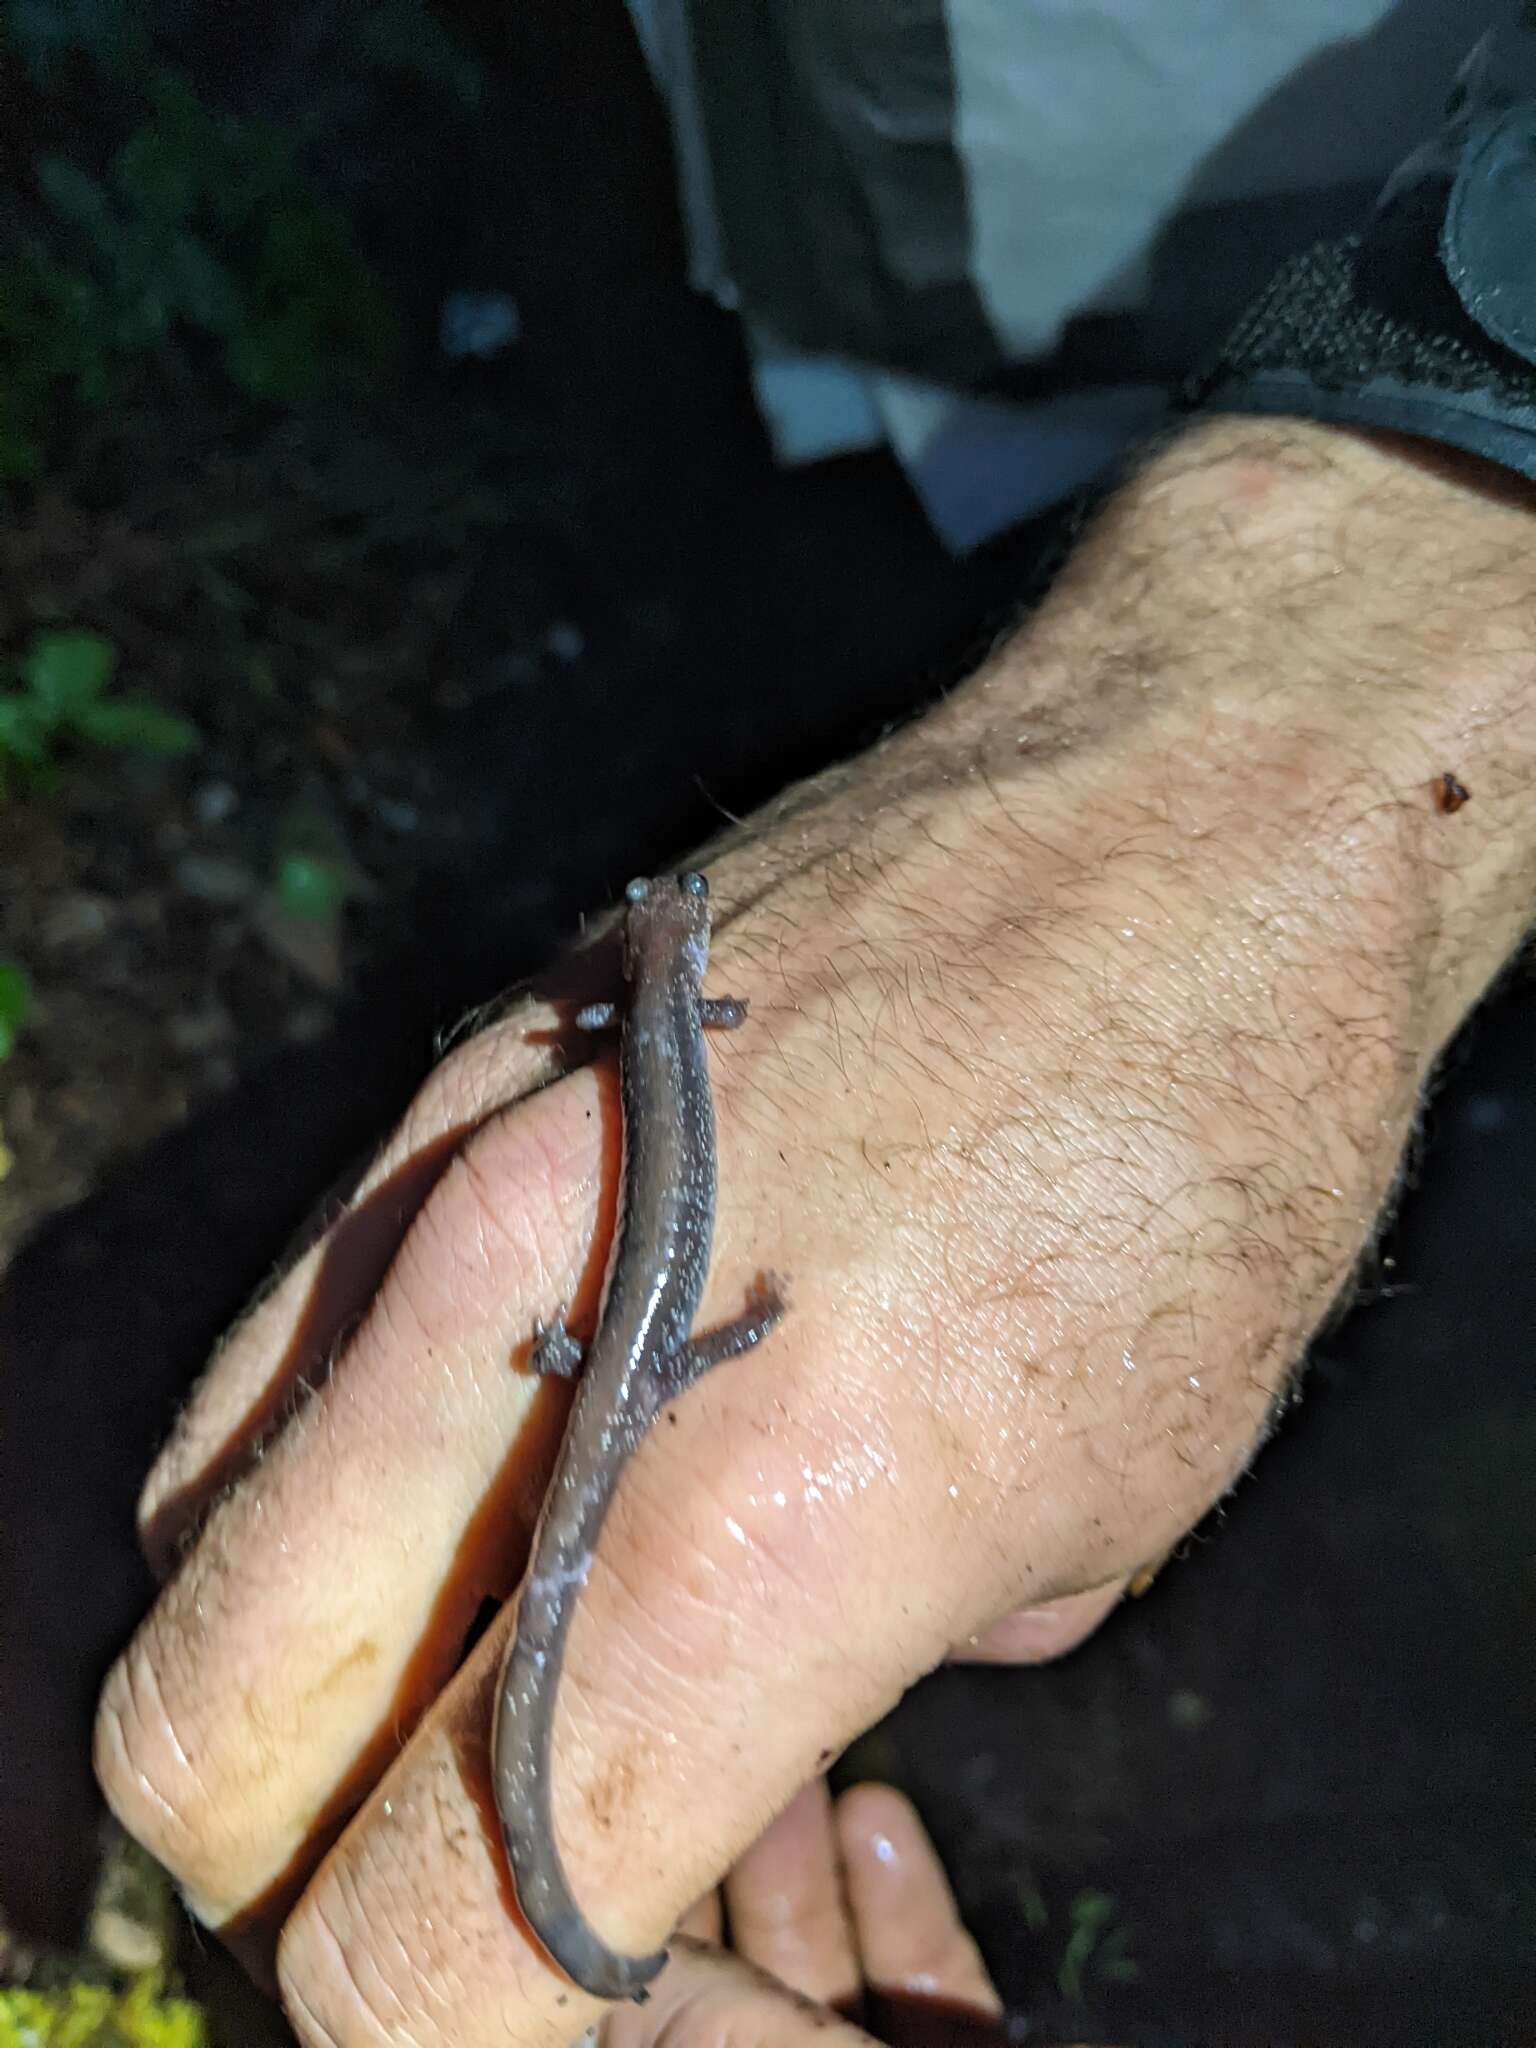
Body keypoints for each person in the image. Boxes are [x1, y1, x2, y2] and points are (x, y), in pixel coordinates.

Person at [93, 10, 1536, 2047]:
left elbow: (668, 1067)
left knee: (627, 1412)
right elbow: (668, 1062)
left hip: (1244, 235)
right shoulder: (688, 988)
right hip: (827, 226)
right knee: (624, 1416)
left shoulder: (688, 990)